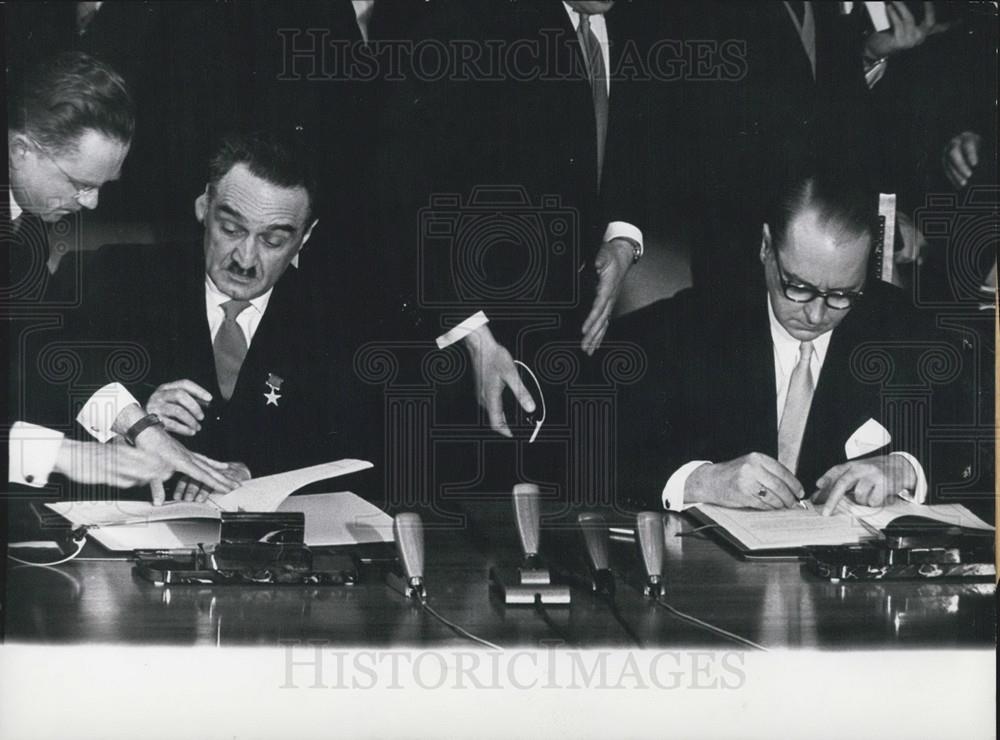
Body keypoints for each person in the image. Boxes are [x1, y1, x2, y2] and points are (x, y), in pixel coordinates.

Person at [613, 167, 987, 515]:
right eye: (798, 287)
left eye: (842, 294)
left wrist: (906, 468)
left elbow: (978, 444)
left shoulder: (905, 331)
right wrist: (697, 481)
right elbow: (594, 447)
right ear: (765, 248)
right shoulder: (694, 325)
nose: (815, 314)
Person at [69, 130, 380, 501]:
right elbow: (49, 378)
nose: (245, 259)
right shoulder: (120, 275)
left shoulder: (339, 317)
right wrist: (132, 418)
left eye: (273, 240)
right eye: (231, 229)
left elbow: (359, 444)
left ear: (306, 236)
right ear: (204, 206)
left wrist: (251, 471)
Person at [4, 51, 236, 500]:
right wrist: (62, 454)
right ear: (21, 151)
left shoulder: (27, 223)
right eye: (80, 184)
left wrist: (140, 427)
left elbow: (49, 352)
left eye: (101, 186)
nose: (90, 203)